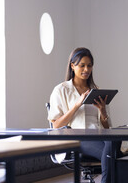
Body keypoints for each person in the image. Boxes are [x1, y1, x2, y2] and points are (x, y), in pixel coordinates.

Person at [48, 47, 121, 183]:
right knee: (114, 155)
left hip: (99, 137)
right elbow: (56, 125)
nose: (86, 70)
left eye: (89, 66)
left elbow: (107, 128)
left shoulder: (96, 91)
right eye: (82, 65)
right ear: (72, 66)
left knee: (114, 141)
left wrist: (103, 111)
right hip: (76, 139)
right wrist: (76, 105)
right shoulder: (61, 90)